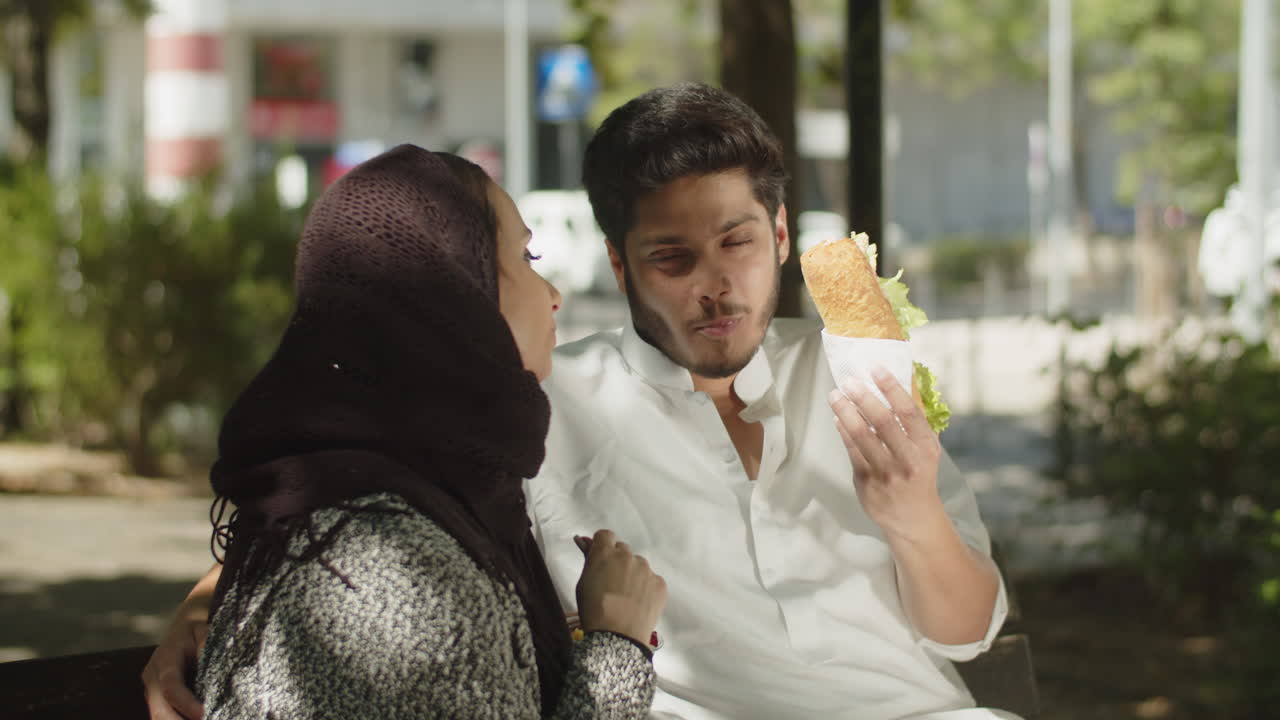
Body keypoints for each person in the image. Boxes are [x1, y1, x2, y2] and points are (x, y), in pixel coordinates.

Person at [145, 85, 1012, 720]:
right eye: (672, 257)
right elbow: (368, 496)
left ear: (781, 237)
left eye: (737, 243)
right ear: (617, 262)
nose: (715, 286)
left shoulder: (865, 376)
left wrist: (911, 517)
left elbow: (966, 633)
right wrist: (201, 604)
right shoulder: (541, 401)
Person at [186, 144, 666, 719]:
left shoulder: (414, 491)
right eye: (527, 256)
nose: (555, 294)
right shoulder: (403, 579)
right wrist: (618, 645)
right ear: (455, 293)